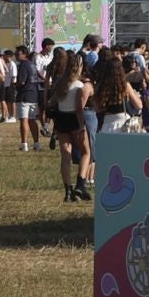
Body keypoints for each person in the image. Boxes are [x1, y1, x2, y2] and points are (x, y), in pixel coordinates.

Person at [51, 51, 92, 202]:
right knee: (86, 152)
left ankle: (67, 190)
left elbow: (52, 102)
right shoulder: (79, 85)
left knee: (65, 156)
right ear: (79, 67)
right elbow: (79, 109)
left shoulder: (60, 83)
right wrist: (82, 126)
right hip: (74, 119)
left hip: (61, 118)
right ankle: (80, 184)